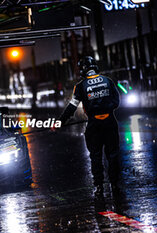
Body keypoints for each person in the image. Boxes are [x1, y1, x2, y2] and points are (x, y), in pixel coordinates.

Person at [55, 56, 121, 198]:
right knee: (113, 155)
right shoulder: (108, 81)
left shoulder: (80, 86)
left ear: (83, 70)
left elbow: (72, 107)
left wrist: (60, 122)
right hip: (110, 123)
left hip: (94, 125)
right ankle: (115, 184)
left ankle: (99, 187)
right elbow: (116, 102)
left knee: (96, 157)